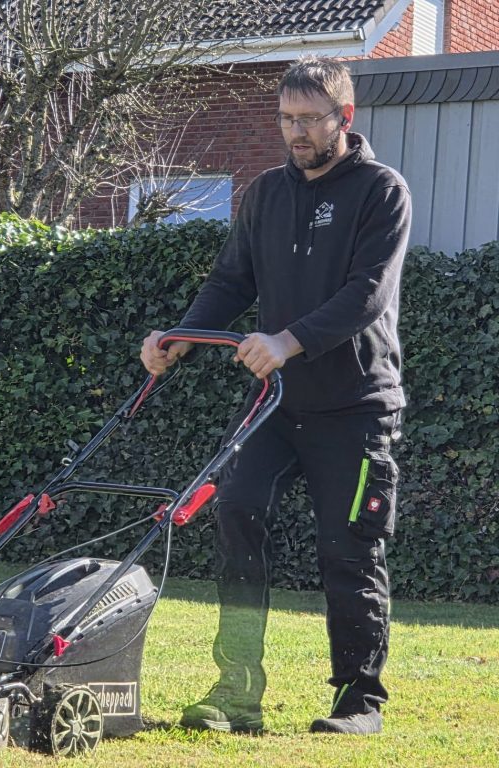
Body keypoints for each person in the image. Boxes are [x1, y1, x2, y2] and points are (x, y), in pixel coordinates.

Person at [140, 56, 411, 736]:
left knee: (349, 548)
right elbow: (232, 281)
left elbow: (367, 294)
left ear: (344, 118)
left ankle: (359, 702)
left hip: (356, 405)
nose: (296, 132)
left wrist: (288, 340)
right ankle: (237, 691)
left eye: (310, 119)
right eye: (287, 118)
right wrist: (180, 337)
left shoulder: (381, 191)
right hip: (276, 403)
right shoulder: (264, 193)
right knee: (236, 511)